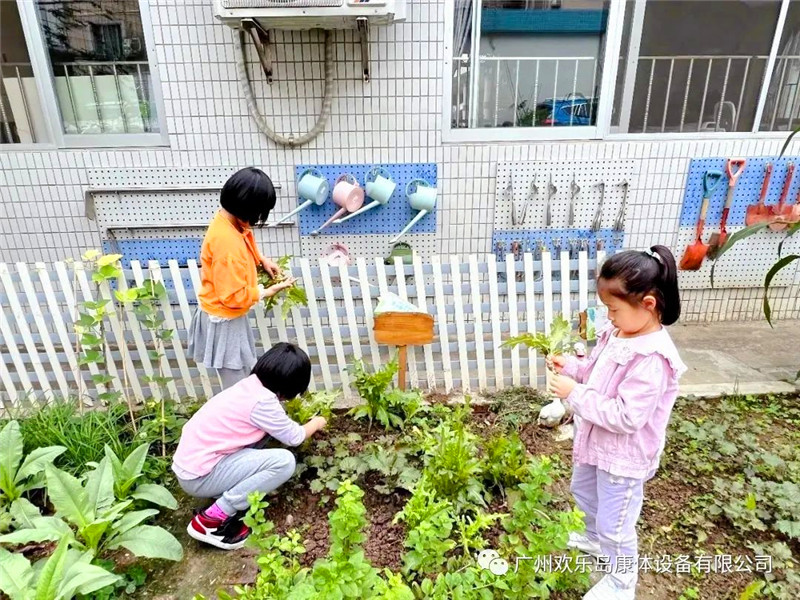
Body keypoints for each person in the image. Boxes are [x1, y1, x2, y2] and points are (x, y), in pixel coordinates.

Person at [547, 245, 686, 600]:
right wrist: (571, 368)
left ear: (649, 305)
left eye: (613, 309)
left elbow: (627, 416)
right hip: (596, 444)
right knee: (583, 493)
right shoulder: (619, 333)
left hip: (623, 457)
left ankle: (621, 584)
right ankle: (594, 540)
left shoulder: (652, 359)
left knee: (618, 524)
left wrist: (574, 394)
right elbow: (594, 371)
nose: (608, 316)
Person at [173, 343, 327, 550]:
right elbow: (294, 436)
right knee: (284, 462)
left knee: (261, 439)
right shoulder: (262, 403)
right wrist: (317, 422)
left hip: (194, 465)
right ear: (292, 383)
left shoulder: (250, 386)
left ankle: (225, 494)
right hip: (199, 477)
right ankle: (209, 522)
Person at [189, 167, 296, 390]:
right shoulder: (228, 244)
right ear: (246, 208)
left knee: (245, 376)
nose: (257, 220)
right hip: (224, 320)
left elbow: (246, 238)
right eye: (258, 213)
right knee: (236, 386)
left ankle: (248, 418)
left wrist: (261, 260)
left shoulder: (228, 222)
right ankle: (240, 423)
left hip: (224, 316)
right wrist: (267, 291)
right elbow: (233, 297)